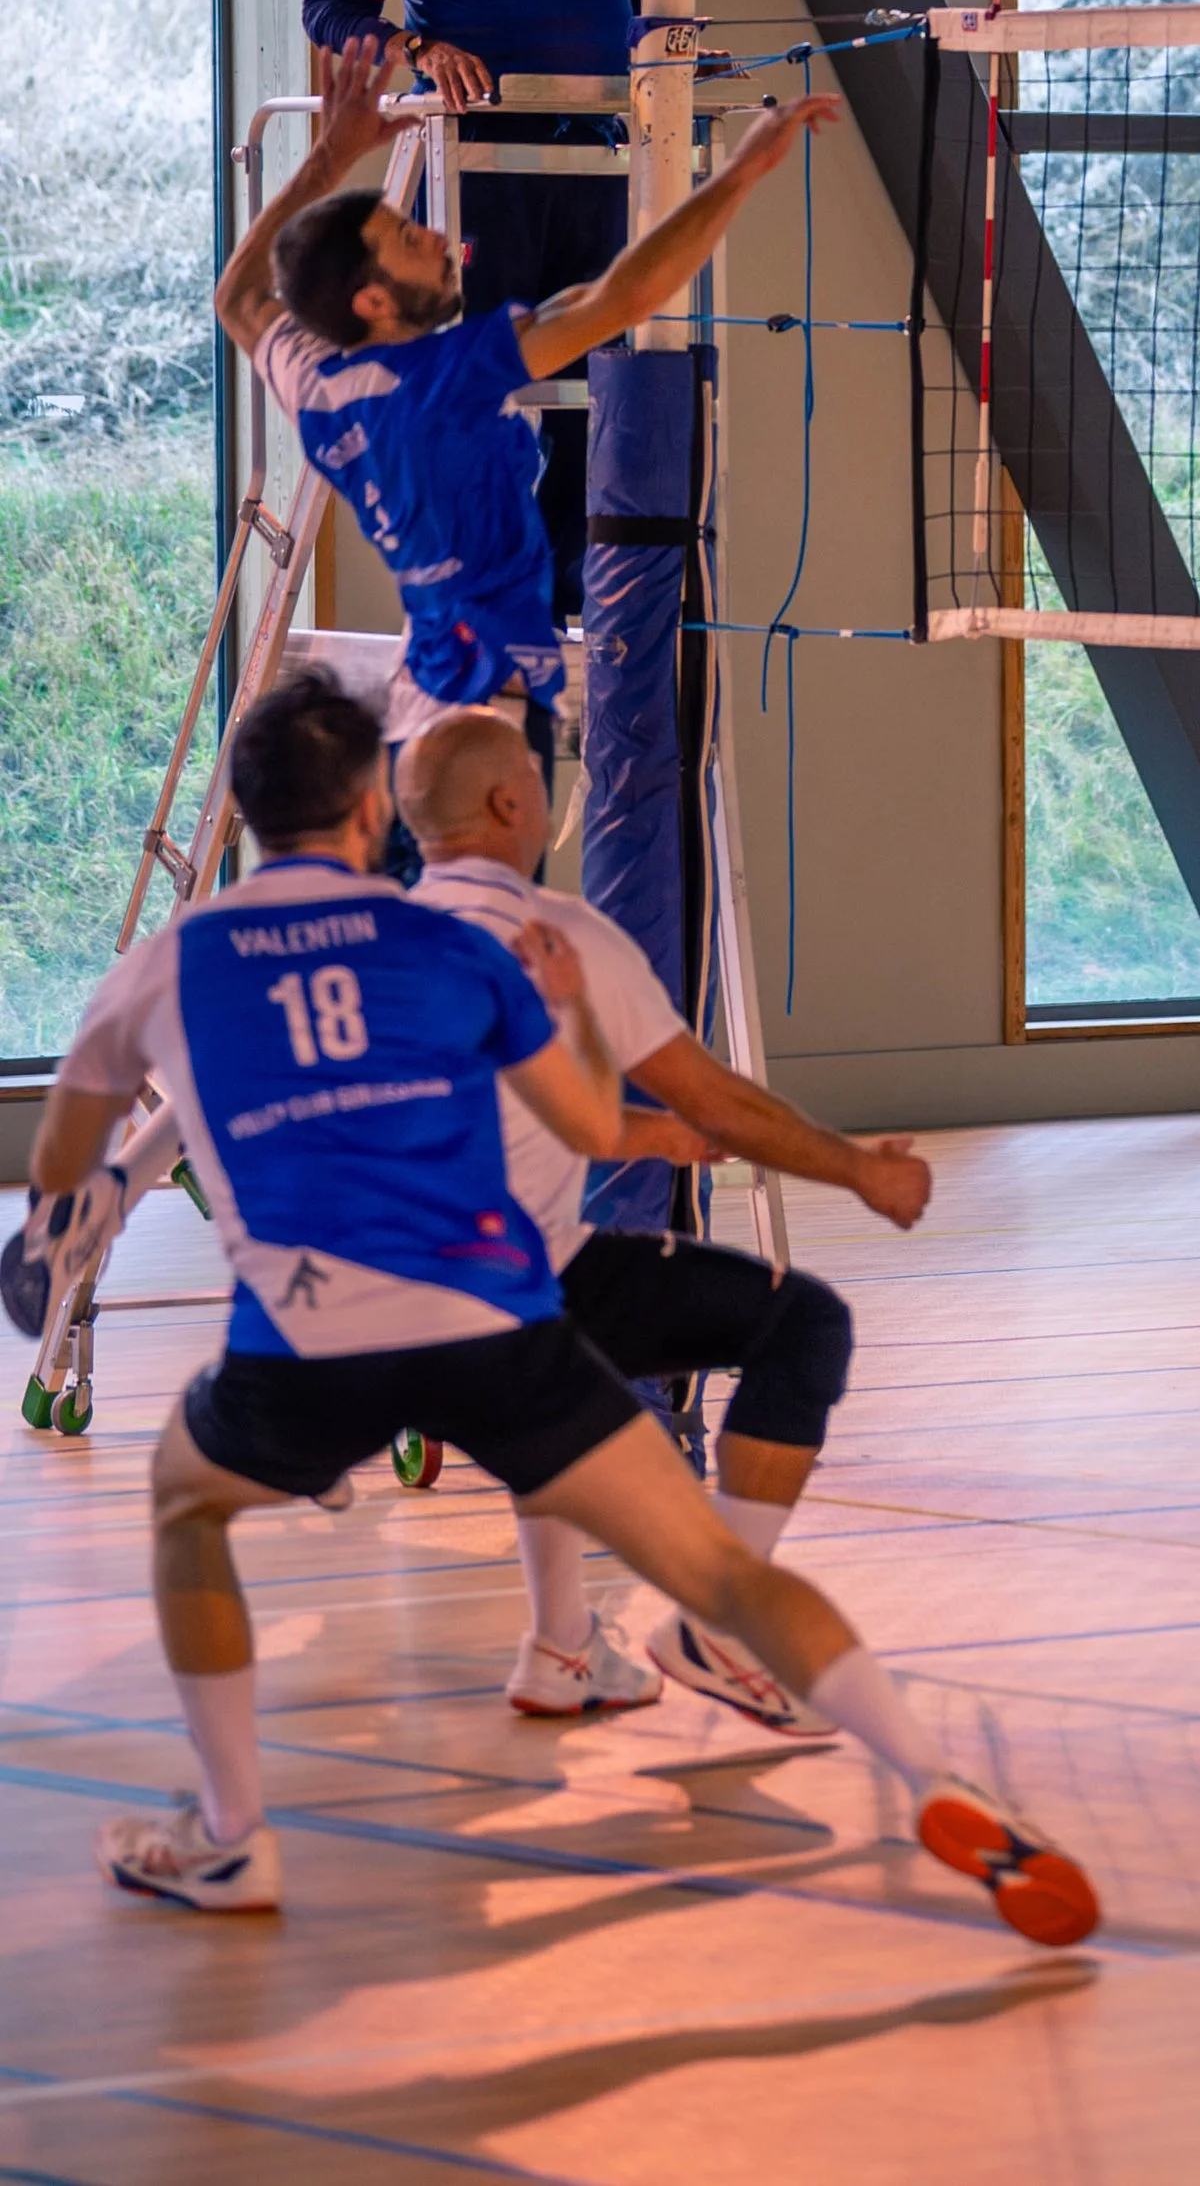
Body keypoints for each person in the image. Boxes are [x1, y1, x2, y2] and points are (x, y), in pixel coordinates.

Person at [27, 672, 1095, 1946]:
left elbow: (60, 1171)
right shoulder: (465, 949)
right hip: (497, 1326)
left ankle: (231, 1832)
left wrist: (93, 1194)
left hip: (303, 1350)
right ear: (372, 810)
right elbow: (593, 1126)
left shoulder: (163, 965)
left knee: (186, 1503)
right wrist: (571, 1010)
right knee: (716, 1573)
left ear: (252, 816)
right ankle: (931, 1775)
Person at [397, 707, 932, 1728]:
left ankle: (561, 1648)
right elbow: (718, 1099)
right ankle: (719, 1624)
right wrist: (861, 1171)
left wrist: (650, 1137)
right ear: (511, 803)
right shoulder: (558, 937)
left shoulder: (377, 947)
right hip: (515, 1288)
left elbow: (498, 1105)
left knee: (562, 1382)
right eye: (541, 779)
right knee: (803, 1324)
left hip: (375, 1307)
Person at [213, 38, 838, 795]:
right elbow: (623, 298)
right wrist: (745, 168)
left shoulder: (316, 384)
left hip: (430, 706)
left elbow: (236, 298)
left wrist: (331, 157)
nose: (436, 238)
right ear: (372, 301)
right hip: (481, 728)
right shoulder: (443, 380)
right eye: (409, 240)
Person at [305, 0, 638, 616]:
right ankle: (486, 585)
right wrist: (419, 46)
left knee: (598, 377)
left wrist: (666, 49)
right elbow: (330, 6)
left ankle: (569, 595)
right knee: (488, 384)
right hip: (482, 161)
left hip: (596, 151)